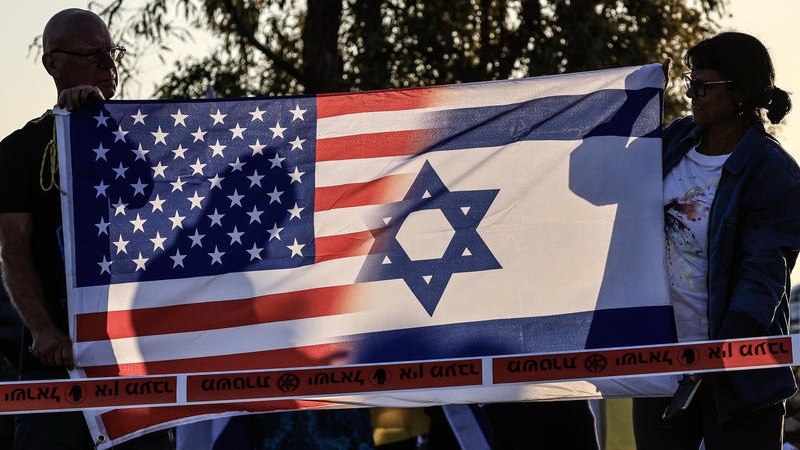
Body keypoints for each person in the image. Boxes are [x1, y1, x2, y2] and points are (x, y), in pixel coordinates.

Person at [0, 9, 172, 449]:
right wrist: (43, 331)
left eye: (112, 52)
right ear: (53, 63)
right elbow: (14, 250)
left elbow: (144, 196)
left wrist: (99, 122)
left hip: (131, 356)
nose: (107, 63)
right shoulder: (19, 149)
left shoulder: (138, 137)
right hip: (56, 357)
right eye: (93, 53)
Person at [632, 31, 800, 450]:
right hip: (662, 368)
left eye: (704, 85)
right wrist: (637, 102)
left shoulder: (774, 170)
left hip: (740, 378)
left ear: (740, 91)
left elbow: (762, 274)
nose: (692, 93)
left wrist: (719, 354)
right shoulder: (673, 140)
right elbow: (591, 184)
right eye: (690, 82)